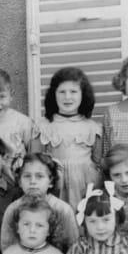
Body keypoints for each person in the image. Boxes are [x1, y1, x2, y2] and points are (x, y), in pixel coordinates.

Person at [37, 66, 102, 210]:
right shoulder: (43, 127)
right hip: (56, 185)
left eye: (73, 92)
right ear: (53, 95)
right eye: (62, 92)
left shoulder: (92, 127)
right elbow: (35, 161)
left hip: (85, 186)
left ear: (83, 94)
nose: (67, 97)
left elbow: (98, 162)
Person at [0, 153, 79, 252]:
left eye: (39, 176)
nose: (32, 181)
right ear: (20, 181)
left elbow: (74, 247)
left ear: (50, 182)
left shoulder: (63, 210)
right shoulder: (13, 209)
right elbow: (6, 246)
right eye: (27, 176)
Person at [0, 68, 40, 176]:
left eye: (2, 96)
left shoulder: (24, 123)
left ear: (11, 95)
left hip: (18, 180)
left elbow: (35, 158)